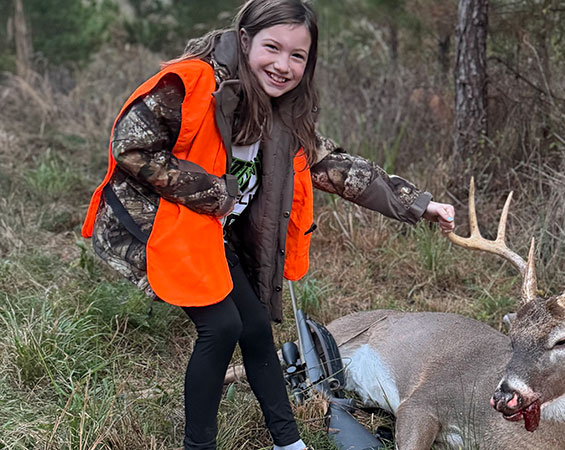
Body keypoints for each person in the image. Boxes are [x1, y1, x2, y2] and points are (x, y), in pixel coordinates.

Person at [81, 0, 455, 448]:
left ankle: (288, 442)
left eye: (297, 56)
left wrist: (418, 204)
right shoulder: (193, 83)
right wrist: (211, 191)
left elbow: (336, 167)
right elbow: (130, 146)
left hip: (206, 231)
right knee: (222, 327)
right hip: (149, 222)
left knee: (256, 327)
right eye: (272, 48)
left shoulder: (283, 114)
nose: (283, 65)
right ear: (245, 40)